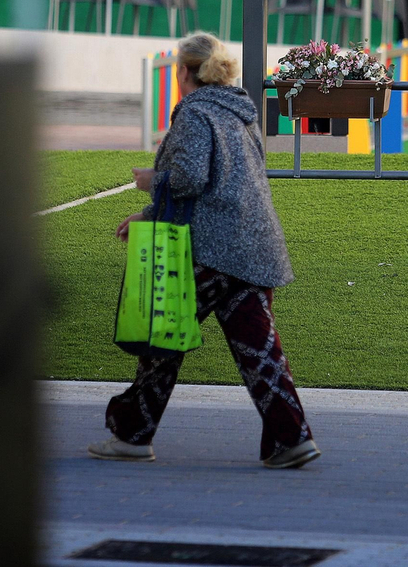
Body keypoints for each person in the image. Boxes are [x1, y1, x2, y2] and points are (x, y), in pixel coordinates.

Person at [88, 32, 321, 469]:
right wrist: (146, 214)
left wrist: (149, 182)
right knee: (260, 350)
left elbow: (191, 178)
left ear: (184, 72)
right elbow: (223, 182)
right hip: (251, 246)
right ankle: (291, 439)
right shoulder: (240, 111)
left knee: (162, 336)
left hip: (210, 249)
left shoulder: (195, 113)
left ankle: (132, 434)